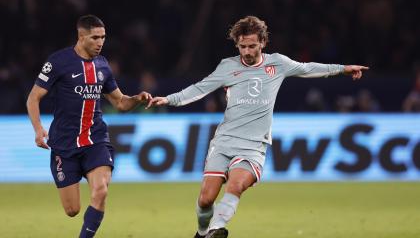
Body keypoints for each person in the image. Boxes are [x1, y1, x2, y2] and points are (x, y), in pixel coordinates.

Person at [147, 16, 369, 238]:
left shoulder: (278, 63)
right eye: (242, 46)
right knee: (206, 199)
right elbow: (200, 88)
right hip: (224, 141)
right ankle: (203, 232)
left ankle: (217, 228)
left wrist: (343, 69)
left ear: (263, 42)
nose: (247, 52)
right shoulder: (228, 66)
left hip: (254, 145)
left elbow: (307, 68)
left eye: (252, 46)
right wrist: (169, 99)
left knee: (236, 185)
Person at [26, 15, 152, 238]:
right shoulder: (57, 62)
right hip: (64, 144)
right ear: (81, 36)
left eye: (103, 37)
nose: (100, 42)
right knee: (72, 210)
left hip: (96, 139)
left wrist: (137, 99)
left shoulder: (103, 65)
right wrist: (38, 129)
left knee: (101, 190)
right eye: (95, 37)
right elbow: (33, 98)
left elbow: (120, 102)